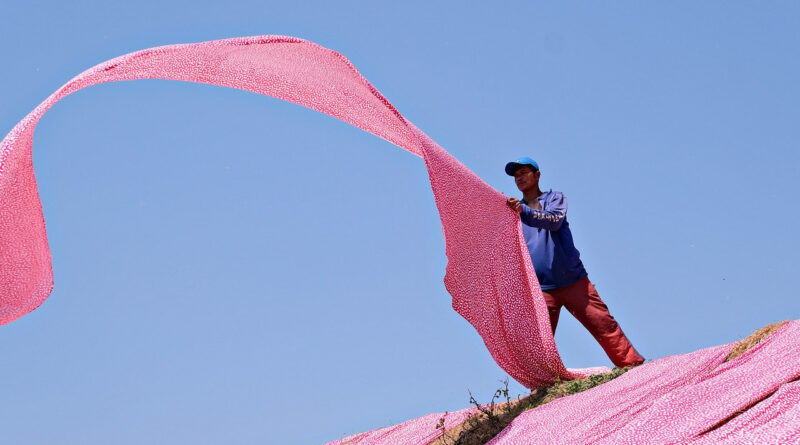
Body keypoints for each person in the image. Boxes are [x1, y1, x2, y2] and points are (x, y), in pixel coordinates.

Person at [504, 157, 644, 367]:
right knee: (539, 340)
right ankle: (544, 385)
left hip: (573, 280)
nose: (519, 178)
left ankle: (632, 366)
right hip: (541, 287)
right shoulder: (514, 212)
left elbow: (554, 220)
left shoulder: (554, 199)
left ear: (537, 175)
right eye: (516, 176)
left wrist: (523, 211)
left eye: (523, 172)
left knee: (604, 323)